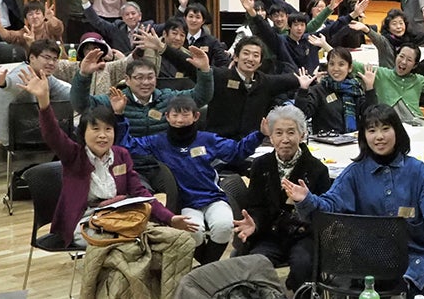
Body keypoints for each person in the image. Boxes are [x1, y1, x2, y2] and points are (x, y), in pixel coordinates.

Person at [282, 104, 424, 299]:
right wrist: (307, 199)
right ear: (364, 136)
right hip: (367, 260)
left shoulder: (416, 171)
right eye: (371, 130)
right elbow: (329, 206)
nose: (379, 137)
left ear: (397, 131)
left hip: (414, 254)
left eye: (385, 129)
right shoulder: (354, 174)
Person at [15, 68, 194, 248]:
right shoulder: (74, 155)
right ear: (83, 133)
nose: (102, 135)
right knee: (127, 243)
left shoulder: (121, 155)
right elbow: (52, 135)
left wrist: (170, 218)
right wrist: (44, 102)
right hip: (86, 221)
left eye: (108, 129)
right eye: (95, 129)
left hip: (119, 217)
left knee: (168, 240)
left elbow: (141, 193)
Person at [118, 93, 269, 264]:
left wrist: (259, 135)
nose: (179, 120)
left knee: (224, 226)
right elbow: (128, 145)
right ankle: (208, 269)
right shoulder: (158, 142)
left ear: (196, 116)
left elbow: (237, 151)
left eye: (185, 114)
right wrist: (119, 116)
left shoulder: (208, 139)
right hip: (186, 203)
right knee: (193, 233)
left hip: (213, 198)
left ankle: (205, 268)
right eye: (175, 115)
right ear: (167, 117)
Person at [71, 36, 216, 186]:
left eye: (150, 77)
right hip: (129, 164)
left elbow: (200, 97)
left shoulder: (167, 98)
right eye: (139, 78)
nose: (145, 82)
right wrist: (84, 75)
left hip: (164, 162)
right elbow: (81, 105)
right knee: (142, 191)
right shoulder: (116, 99)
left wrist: (205, 70)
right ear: (127, 80)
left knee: (179, 187)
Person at [231, 105, 330, 293]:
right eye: (278, 133)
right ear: (271, 137)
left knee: (304, 265)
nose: (285, 139)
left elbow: (324, 214)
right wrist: (255, 224)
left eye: (291, 132)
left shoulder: (317, 169)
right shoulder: (260, 165)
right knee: (255, 266)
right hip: (270, 234)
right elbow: (256, 206)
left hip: (302, 236)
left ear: (302, 135)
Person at [203, 36, 317, 140]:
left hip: (251, 144)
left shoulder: (264, 82)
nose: (250, 59)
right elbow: (200, 70)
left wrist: (306, 79)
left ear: (260, 63)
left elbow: (287, 80)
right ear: (236, 57)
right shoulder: (220, 76)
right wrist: (202, 67)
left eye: (256, 55)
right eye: (246, 53)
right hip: (218, 142)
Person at [352, 22, 424, 115]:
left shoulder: (418, 80)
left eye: (409, 60)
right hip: (391, 126)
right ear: (396, 56)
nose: (403, 62)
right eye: (401, 56)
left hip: (417, 124)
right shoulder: (380, 74)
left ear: (415, 65)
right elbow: (349, 63)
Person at [0, 39, 72, 148]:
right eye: (47, 58)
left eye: (55, 59)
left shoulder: (45, 76)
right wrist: (3, 83)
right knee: (74, 133)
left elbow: (67, 93)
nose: (51, 63)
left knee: (75, 129)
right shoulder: (24, 72)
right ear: (32, 58)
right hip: (14, 136)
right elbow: (12, 83)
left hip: (31, 127)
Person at [295, 47, 377, 134]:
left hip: (353, 139)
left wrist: (369, 88)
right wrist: (303, 90)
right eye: (332, 64)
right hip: (326, 140)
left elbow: (370, 115)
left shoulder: (355, 89)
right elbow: (302, 114)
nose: (336, 69)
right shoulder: (318, 90)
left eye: (341, 64)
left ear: (350, 68)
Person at [0, 0, 65, 47]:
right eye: (30, 14)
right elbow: (8, 36)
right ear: (26, 19)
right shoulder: (25, 32)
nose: (34, 17)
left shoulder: (49, 26)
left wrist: (51, 18)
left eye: (38, 13)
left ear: (44, 17)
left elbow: (58, 28)